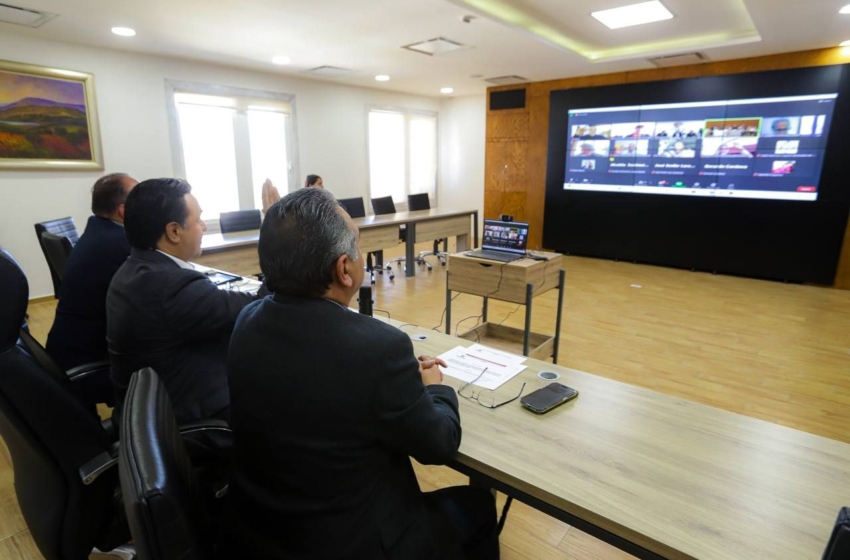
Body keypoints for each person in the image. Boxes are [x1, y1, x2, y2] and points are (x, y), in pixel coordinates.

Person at [219, 188, 499, 560]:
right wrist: (433, 389)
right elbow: (440, 445)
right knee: (477, 504)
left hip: (263, 530)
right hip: (352, 542)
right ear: (343, 269)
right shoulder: (380, 349)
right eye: (358, 244)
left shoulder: (246, 322)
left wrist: (394, 383)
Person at [106, 178, 279, 423]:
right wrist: (276, 231)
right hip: (191, 423)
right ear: (174, 231)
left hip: (150, 412)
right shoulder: (171, 287)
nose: (204, 228)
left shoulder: (133, 269)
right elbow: (261, 308)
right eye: (198, 220)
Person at [46, 173, 138, 374]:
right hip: (87, 358)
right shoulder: (118, 244)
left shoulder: (100, 230)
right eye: (140, 198)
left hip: (68, 350)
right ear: (124, 211)